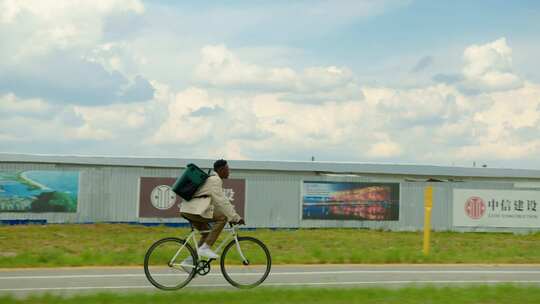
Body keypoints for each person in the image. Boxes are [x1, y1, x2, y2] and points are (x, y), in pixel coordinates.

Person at [180, 159, 245, 259]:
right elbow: (221, 201)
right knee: (223, 217)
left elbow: (216, 203)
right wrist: (235, 217)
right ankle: (205, 248)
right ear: (221, 169)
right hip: (194, 210)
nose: (229, 172)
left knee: (207, 234)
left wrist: (232, 215)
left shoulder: (211, 179)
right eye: (227, 169)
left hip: (190, 210)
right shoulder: (215, 180)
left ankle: (189, 262)